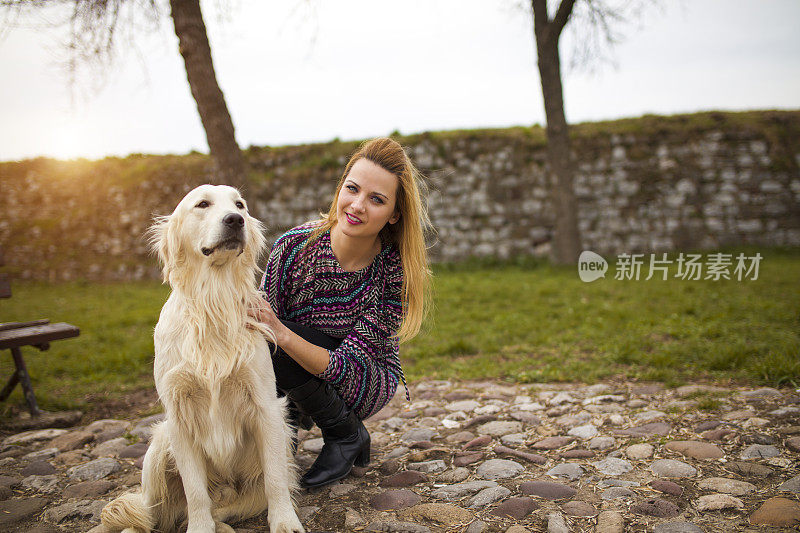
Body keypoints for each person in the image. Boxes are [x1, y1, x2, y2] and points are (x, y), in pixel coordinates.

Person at [249, 137, 432, 488]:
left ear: (394, 214)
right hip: (294, 369)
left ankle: (345, 433)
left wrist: (283, 335)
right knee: (261, 339)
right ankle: (282, 434)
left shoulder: (393, 274)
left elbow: (346, 366)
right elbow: (260, 337)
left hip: (364, 377)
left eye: (376, 199)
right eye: (353, 189)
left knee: (273, 338)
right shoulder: (293, 248)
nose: (358, 205)